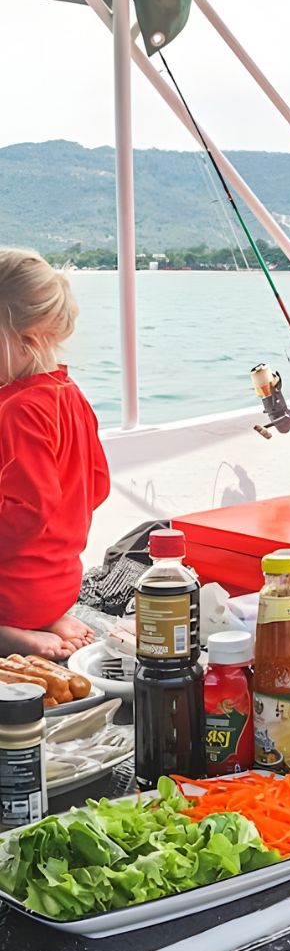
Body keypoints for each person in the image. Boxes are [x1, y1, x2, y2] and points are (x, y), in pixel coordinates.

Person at [0, 248, 109, 659]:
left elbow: (27, 512)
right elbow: (97, 486)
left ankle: (12, 637)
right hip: (60, 585)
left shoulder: (17, 409)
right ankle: (48, 618)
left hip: (14, 595)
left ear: (25, 341)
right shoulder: (71, 396)